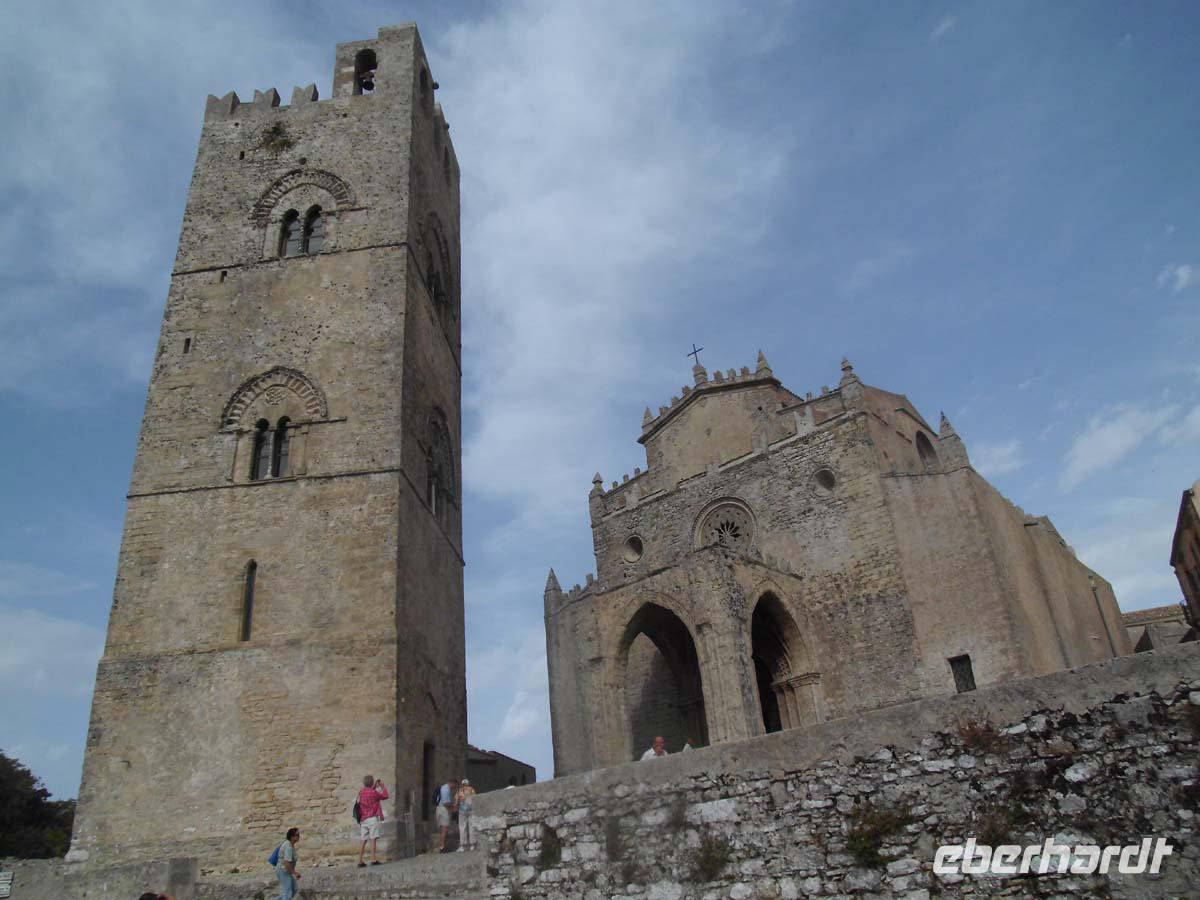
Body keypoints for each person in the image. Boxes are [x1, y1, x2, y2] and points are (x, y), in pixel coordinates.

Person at [357, 774, 390, 867]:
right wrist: (383, 787)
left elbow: (369, 792)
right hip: (372, 818)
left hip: (363, 819)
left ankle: (360, 860)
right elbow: (385, 796)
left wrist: (374, 786)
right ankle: (373, 859)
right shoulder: (374, 793)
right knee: (373, 839)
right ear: (372, 783)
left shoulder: (361, 792)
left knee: (363, 840)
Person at [274, 827, 301, 900]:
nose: (299, 837)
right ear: (292, 837)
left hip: (286, 871)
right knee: (288, 892)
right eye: (297, 835)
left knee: (294, 889)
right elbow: (287, 863)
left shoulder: (290, 845)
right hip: (283, 870)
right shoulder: (288, 846)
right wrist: (294, 873)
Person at [436, 779, 458, 852]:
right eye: (454, 786)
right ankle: (442, 847)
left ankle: (442, 846)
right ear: (453, 783)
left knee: (443, 829)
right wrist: (454, 805)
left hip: (440, 809)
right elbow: (446, 803)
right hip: (443, 809)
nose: (454, 788)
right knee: (445, 829)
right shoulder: (446, 789)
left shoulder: (443, 787)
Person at [455, 779, 477, 851]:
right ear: (468, 783)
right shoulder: (472, 790)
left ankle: (463, 846)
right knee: (471, 827)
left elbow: (456, 801)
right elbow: (475, 798)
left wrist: (455, 807)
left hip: (462, 811)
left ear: (462, 784)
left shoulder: (459, 791)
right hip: (471, 810)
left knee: (462, 828)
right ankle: (472, 845)